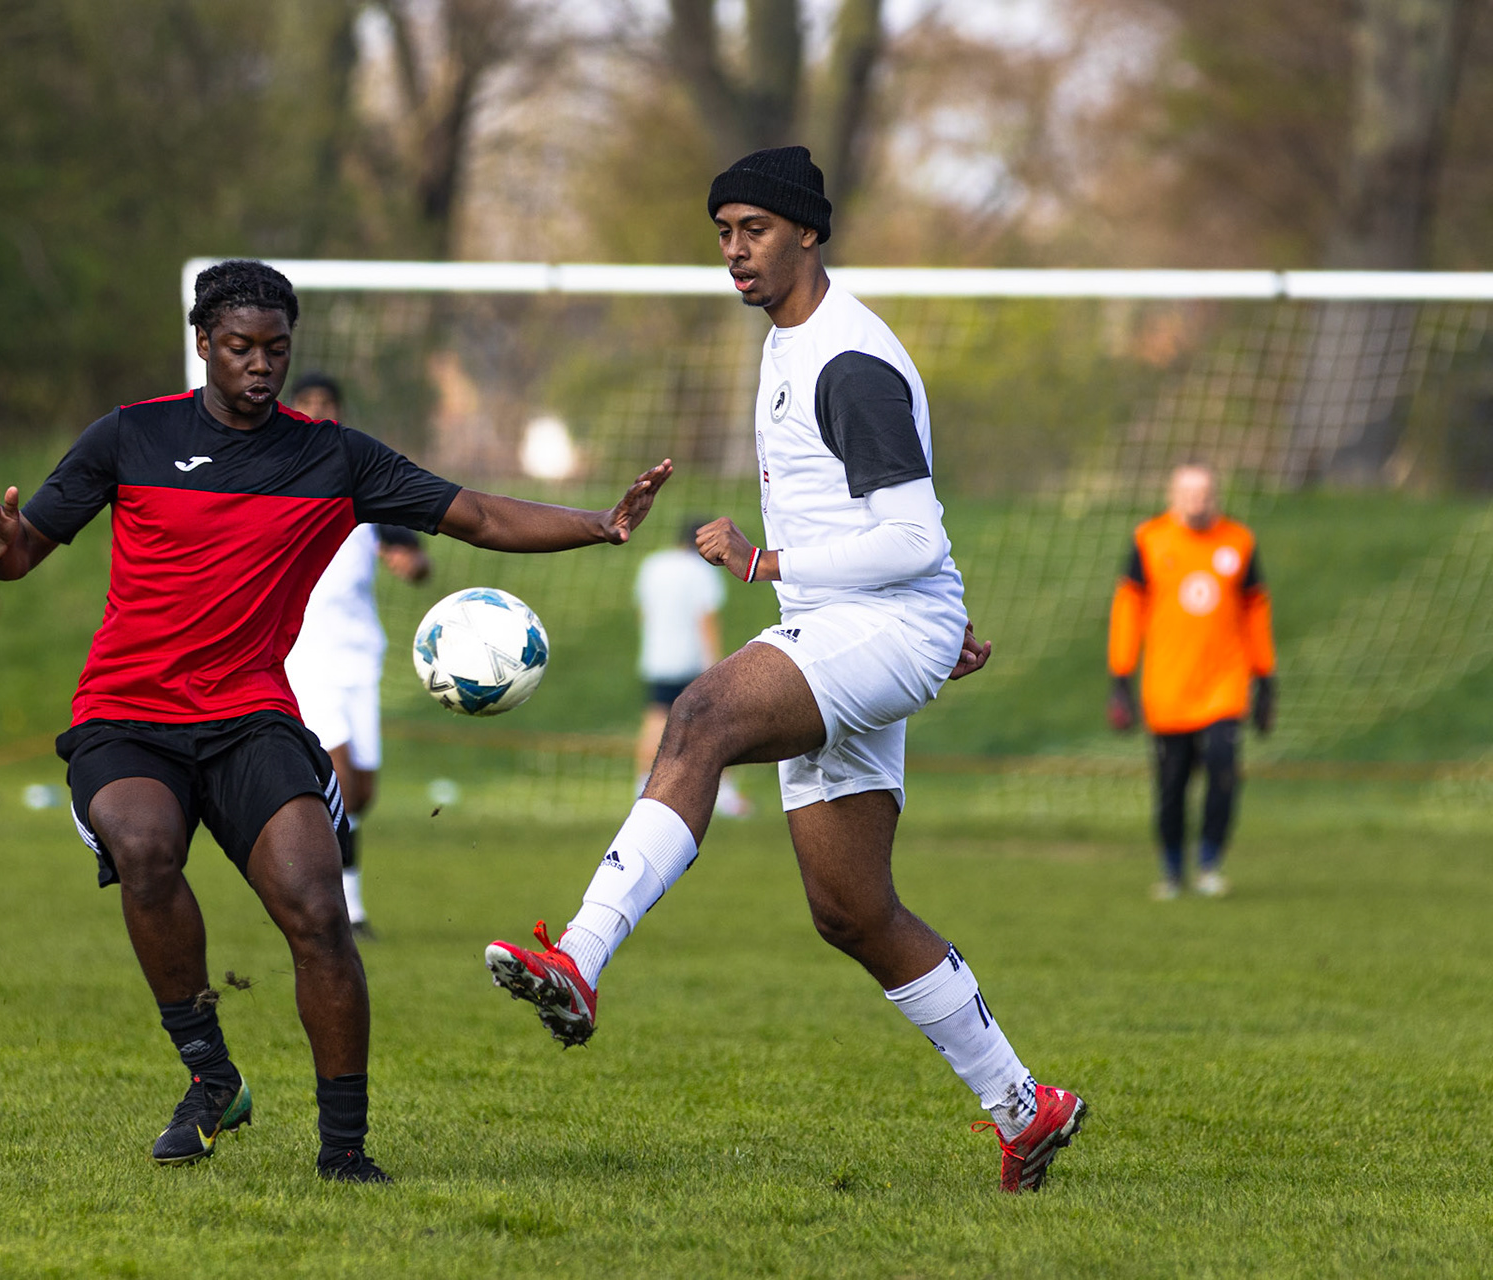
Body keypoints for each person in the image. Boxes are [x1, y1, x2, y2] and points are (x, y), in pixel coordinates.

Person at [0, 259, 670, 1183]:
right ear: (203, 343)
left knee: (318, 912)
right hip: (126, 716)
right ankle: (212, 1076)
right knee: (144, 848)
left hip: (251, 717)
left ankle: (344, 1151)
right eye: (240, 347)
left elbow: (477, 515)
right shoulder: (130, 436)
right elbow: (23, 552)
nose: (261, 365)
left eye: (277, 348)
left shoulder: (331, 458)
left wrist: (598, 524)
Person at [482, 147, 1087, 1195]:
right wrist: (930, 611)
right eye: (724, 232)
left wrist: (769, 563)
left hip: (876, 628)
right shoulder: (789, 341)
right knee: (850, 908)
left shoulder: (849, 359)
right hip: (861, 628)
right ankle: (1025, 1105)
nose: (735, 250)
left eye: (754, 229)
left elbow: (913, 534)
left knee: (701, 713)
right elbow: (889, 531)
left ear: (809, 230)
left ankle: (578, 955)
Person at [282, 373, 432, 938]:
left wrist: (412, 566)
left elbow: (413, 556)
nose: (317, 412)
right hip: (305, 654)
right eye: (307, 404)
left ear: (339, 412)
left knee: (361, 793)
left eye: (326, 405)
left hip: (361, 657)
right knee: (339, 782)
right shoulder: (276, 480)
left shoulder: (360, 484)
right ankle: (343, 908)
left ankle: (320, 881)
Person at [1107, 463, 1275, 900]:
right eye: (1189, 492)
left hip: (1224, 685)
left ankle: (1209, 863)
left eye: (1205, 492)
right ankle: (1171, 869)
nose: (1198, 501)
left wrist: (1266, 679)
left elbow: (1256, 611)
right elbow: (1128, 611)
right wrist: (1120, 678)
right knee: (1172, 784)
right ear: (1173, 495)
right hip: (1168, 687)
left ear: (1215, 495)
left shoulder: (1238, 541)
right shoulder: (1149, 539)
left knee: (1223, 768)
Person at [632, 517, 750, 817]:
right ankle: (724, 793)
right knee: (715, 723)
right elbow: (705, 618)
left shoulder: (653, 564)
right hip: (692, 659)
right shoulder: (701, 570)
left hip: (658, 657)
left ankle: (642, 788)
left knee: (656, 719)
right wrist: (715, 661)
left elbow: (643, 612)